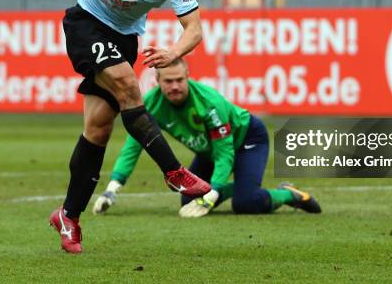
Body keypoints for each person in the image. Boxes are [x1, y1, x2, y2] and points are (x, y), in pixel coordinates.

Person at [13, 0, 211, 253]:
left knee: (98, 128)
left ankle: (68, 215)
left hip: (122, 39)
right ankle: (174, 173)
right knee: (129, 86)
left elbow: (195, 28)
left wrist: (174, 51)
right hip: (85, 22)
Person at [92, 58, 321, 217]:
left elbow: (224, 153)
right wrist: (112, 188)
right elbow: (134, 146)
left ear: (188, 77)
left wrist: (214, 192)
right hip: (208, 150)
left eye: (179, 80)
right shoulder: (151, 104)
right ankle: (238, 187)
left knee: (246, 203)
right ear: (157, 82)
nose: (174, 86)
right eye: (168, 81)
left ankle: (288, 195)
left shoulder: (209, 103)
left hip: (247, 140)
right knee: (188, 200)